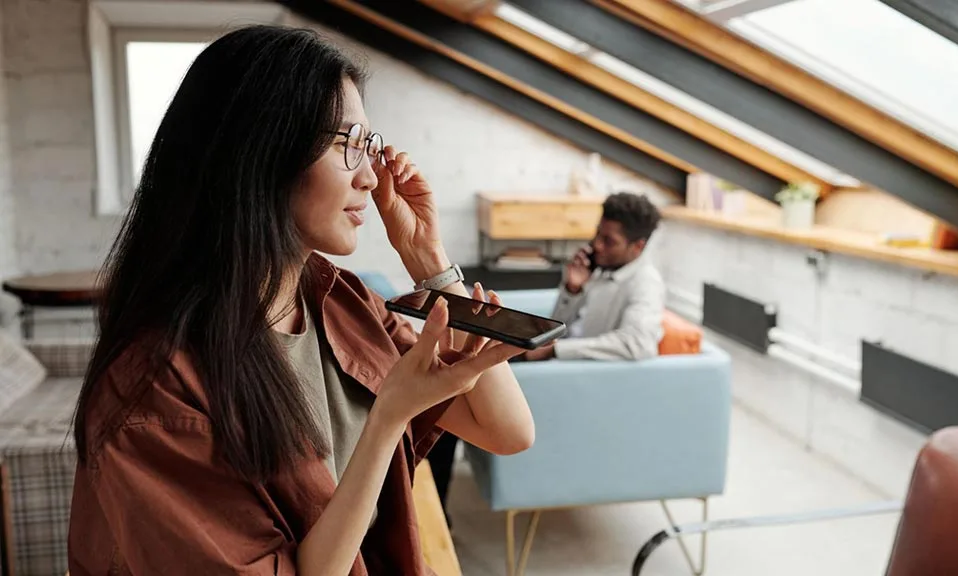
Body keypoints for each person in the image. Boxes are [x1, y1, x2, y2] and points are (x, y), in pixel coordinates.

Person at [67, 26, 535, 576]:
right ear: (261, 154)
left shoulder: (340, 300)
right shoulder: (152, 389)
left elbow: (509, 432)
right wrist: (388, 419)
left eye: (370, 144)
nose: (369, 175)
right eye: (346, 144)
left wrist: (428, 258)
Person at [522, 191, 665, 361]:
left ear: (638, 246)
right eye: (597, 234)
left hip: (575, 370)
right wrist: (572, 290)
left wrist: (555, 350)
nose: (597, 245)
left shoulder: (646, 283)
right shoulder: (599, 267)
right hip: (556, 360)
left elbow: (636, 343)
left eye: (609, 241)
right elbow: (554, 329)